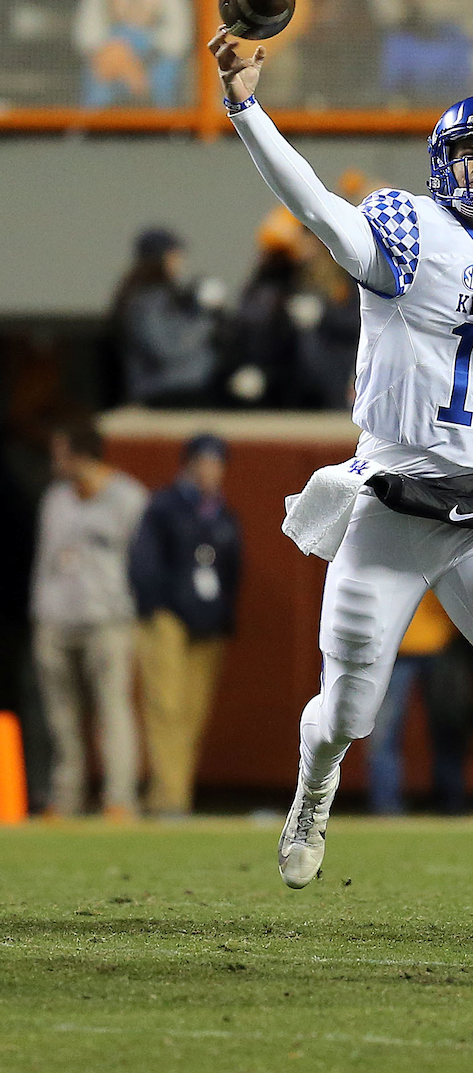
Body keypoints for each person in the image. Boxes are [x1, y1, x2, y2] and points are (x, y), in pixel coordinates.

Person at [207, 26, 473, 934]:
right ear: (442, 164)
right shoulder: (407, 226)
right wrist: (246, 109)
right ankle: (314, 787)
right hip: (395, 499)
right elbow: (316, 206)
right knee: (350, 708)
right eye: (469, 152)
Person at [30, 420, 148, 818]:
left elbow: (142, 564)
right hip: (56, 620)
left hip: (108, 620)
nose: (55, 462)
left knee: (113, 711)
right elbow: (45, 562)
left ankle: (119, 798)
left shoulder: (128, 497)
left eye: (61, 453)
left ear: (82, 455)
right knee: (61, 718)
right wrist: (40, 613)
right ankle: (66, 798)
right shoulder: (55, 499)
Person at [129, 434, 242, 817]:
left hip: (207, 626)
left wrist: (222, 617)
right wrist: (158, 608)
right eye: (206, 461)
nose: (213, 470)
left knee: (193, 713)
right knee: (166, 707)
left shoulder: (223, 514)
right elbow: (145, 564)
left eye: (218, 463)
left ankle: (173, 793)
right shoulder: (164, 506)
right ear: (189, 463)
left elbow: (231, 572)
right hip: (169, 619)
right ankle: (170, 798)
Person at [367, 593, 472, 815]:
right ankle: (387, 808)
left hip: (440, 644)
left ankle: (451, 805)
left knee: (448, 728)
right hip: (395, 647)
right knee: (384, 733)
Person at [110, 227, 224, 407]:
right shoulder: (148, 301)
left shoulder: (161, 296)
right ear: (160, 258)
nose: (179, 263)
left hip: (181, 390)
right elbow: (165, 349)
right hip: (166, 392)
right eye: (174, 256)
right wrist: (204, 321)